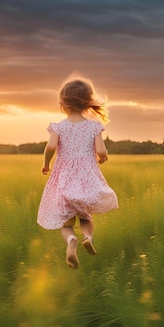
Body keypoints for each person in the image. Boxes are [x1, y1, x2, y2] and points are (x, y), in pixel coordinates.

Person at [37, 75, 118, 269]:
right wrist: (103, 157)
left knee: (66, 224)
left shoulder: (58, 126)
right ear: (88, 104)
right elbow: (100, 151)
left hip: (64, 178)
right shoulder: (94, 127)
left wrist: (46, 163)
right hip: (86, 179)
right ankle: (87, 237)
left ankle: (71, 239)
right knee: (85, 217)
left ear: (62, 103)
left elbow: (50, 147)